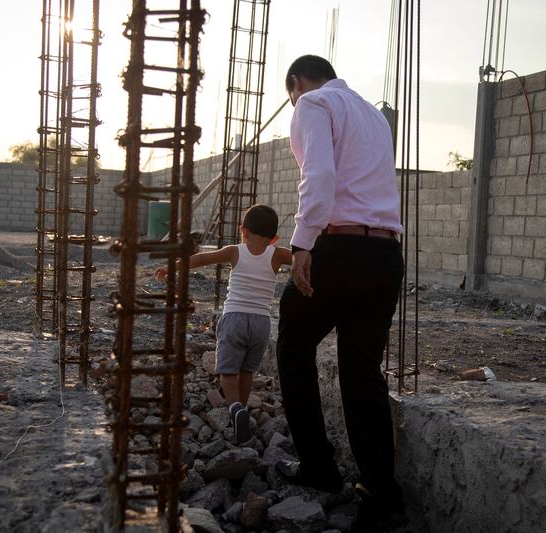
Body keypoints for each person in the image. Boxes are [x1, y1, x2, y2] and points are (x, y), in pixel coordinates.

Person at [274, 55, 406, 532]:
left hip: (338, 248)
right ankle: (379, 490)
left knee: (292, 344)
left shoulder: (312, 102)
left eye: (291, 93)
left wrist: (302, 243)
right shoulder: (372, 114)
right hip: (386, 253)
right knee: (361, 369)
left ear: (296, 82)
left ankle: (319, 468)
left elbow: (321, 178)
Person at [156, 204, 291, 444]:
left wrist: (171, 268)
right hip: (261, 322)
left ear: (243, 231)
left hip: (234, 318)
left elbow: (201, 258)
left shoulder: (234, 251)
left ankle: (235, 408)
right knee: (248, 370)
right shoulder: (278, 254)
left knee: (228, 371)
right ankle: (243, 407)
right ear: (275, 238)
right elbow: (303, 260)